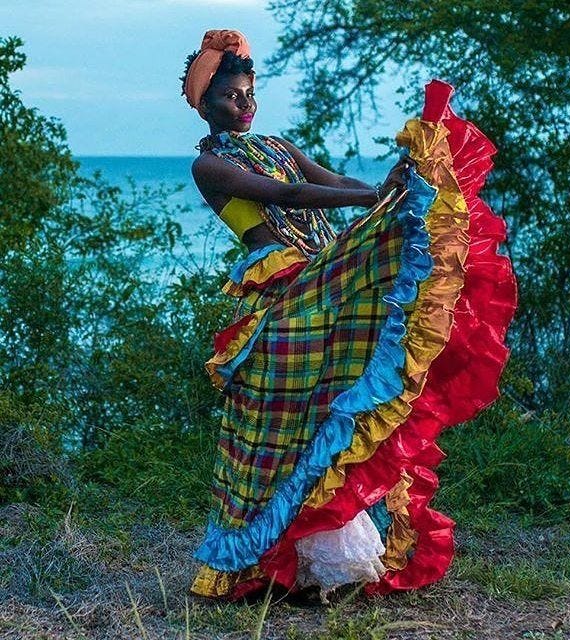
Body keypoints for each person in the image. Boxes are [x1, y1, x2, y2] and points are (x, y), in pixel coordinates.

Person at [180, 29, 517, 603]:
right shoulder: (209, 166)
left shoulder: (280, 144)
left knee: (343, 402)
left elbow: (332, 182)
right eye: (231, 97)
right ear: (204, 104)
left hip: (321, 276)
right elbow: (284, 196)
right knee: (290, 421)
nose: (244, 105)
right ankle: (282, 561)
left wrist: (388, 193)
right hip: (281, 287)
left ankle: (331, 560)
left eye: (249, 94)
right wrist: (367, 202)